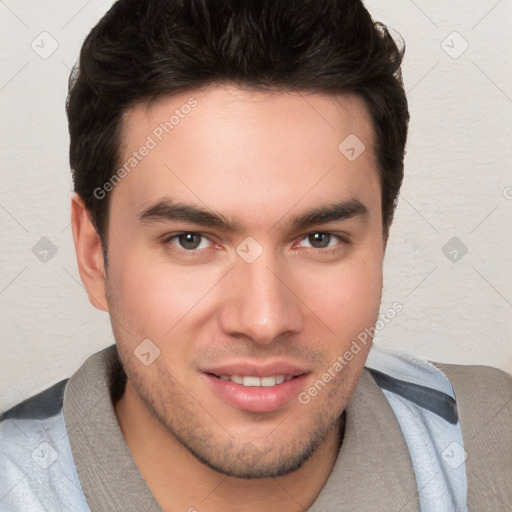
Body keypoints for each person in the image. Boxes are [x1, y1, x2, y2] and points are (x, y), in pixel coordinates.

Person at [1, 0, 510, 510]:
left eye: (319, 239)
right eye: (191, 240)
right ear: (94, 255)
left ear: (382, 242)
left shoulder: (493, 442)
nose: (264, 320)